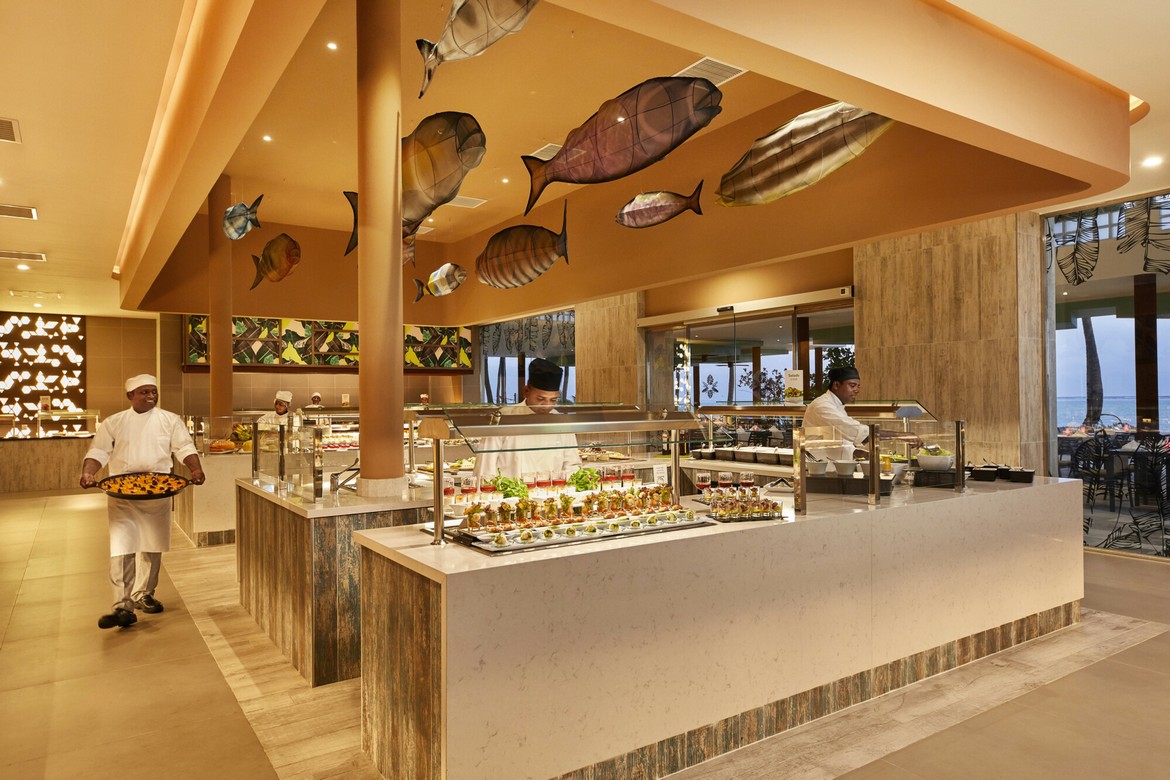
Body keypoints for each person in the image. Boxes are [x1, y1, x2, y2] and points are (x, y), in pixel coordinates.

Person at [80, 374, 205, 629]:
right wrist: (88, 472)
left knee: (151, 544)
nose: (151, 396)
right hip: (121, 491)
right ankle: (122, 606)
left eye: (154, 392)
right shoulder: (113, 422)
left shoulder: (170, 420)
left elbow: (184, 448)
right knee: (122, 547)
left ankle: (144, 594)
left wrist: (195, 469)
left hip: (157, 490)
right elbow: (98, 451)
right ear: (130, 396)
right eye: (144, 392)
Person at [474, 357, 582, 481]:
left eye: (553, 400)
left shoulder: (561, 422)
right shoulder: (503, 418)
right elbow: (485, 466)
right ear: (526, 392)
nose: (547, 406)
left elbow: (571, 466)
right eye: (540, 399)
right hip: (510, 496)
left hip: (551, 494)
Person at [802, 366, 921, 453]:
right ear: (836, 385)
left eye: (858, 386)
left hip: (830, 463)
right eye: (852, 385)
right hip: (816, 465)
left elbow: (851, 437)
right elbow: (858, 432)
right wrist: (900, 435)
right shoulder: (822, 406)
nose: (856, 390)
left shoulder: (837, 405)